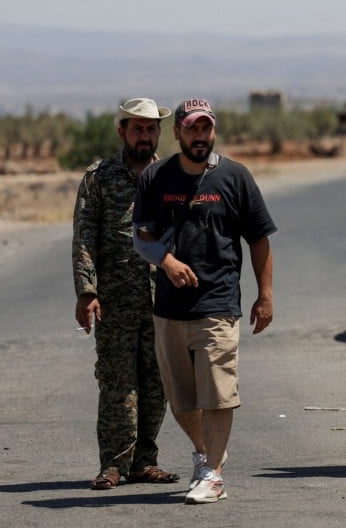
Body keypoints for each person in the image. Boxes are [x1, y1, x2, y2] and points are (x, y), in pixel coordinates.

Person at [132, 98, 276, 505]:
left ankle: (214, 474)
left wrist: (265, 295)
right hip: (169, 308)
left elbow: (259, 238)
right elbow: (140, 235)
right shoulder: (156, 177)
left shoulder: (235, 176)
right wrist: (166, 260)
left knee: (218, 392)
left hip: (218, 302)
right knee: (181, 399)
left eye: (206, 128)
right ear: (177, 131)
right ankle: (204, 453)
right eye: (192, 128)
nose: (200, 135)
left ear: (214, 130)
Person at [71, 97, 180, 490]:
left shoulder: (172, 177)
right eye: (137, 129)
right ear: (122, 132)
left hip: (163, 300)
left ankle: (144, 462)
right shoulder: (99, 177)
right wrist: (87, 291)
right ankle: (113, 464)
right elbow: (84, 237)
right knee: (118, 384)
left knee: (157, 383)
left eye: (151, 129)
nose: (144, 136)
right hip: (115, 302)